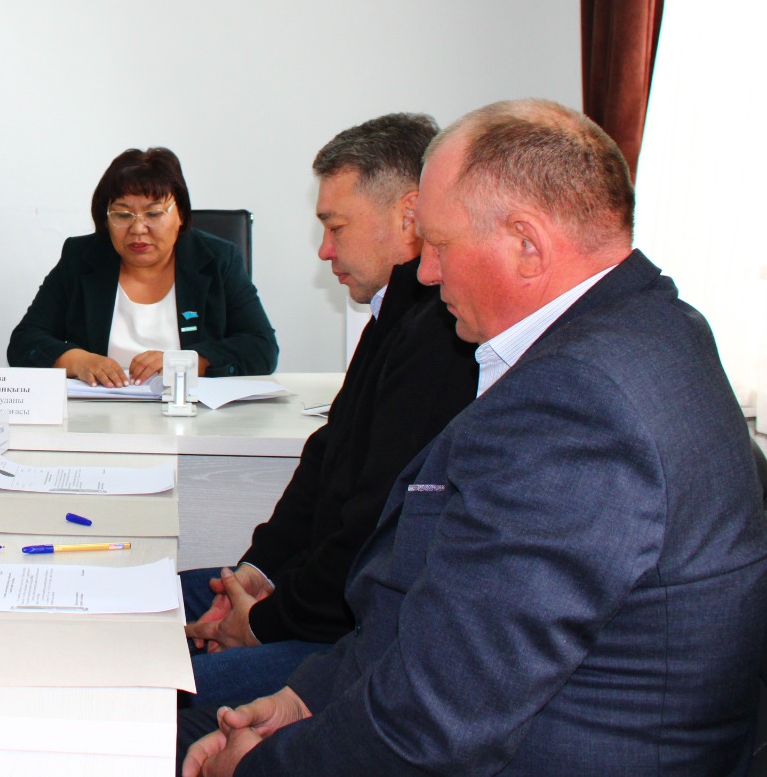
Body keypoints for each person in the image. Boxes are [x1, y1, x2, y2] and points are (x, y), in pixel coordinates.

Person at [183, 100, 767, 776]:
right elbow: (433, 612)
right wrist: (304, 698)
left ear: (526, 244)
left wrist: (260, 766)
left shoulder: (572, 403)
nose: (427, 272)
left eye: (440, 245)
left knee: (154, 730)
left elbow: (437, 718)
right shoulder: (660, 326)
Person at [178, 114, 476, 731]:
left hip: (350, 630)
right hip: (312, 596)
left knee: (164, 696)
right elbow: (324, 459)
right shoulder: (393, 314)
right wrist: (254, 573)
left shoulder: (441, 337)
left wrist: (261, 621)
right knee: (158, 600)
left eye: (335, 227)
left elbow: (368, 531)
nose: (324, 250)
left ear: (409, 215)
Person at [7, 147, 277, 385]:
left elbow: (262, 349)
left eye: (154, 213)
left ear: (182, 215)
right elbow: (24, 342)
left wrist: (188, 363)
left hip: (192, 413)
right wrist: (78, 361)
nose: (137, 228)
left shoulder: (218, 260)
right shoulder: (81, 259)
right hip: (100, 413)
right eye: (122, 214)